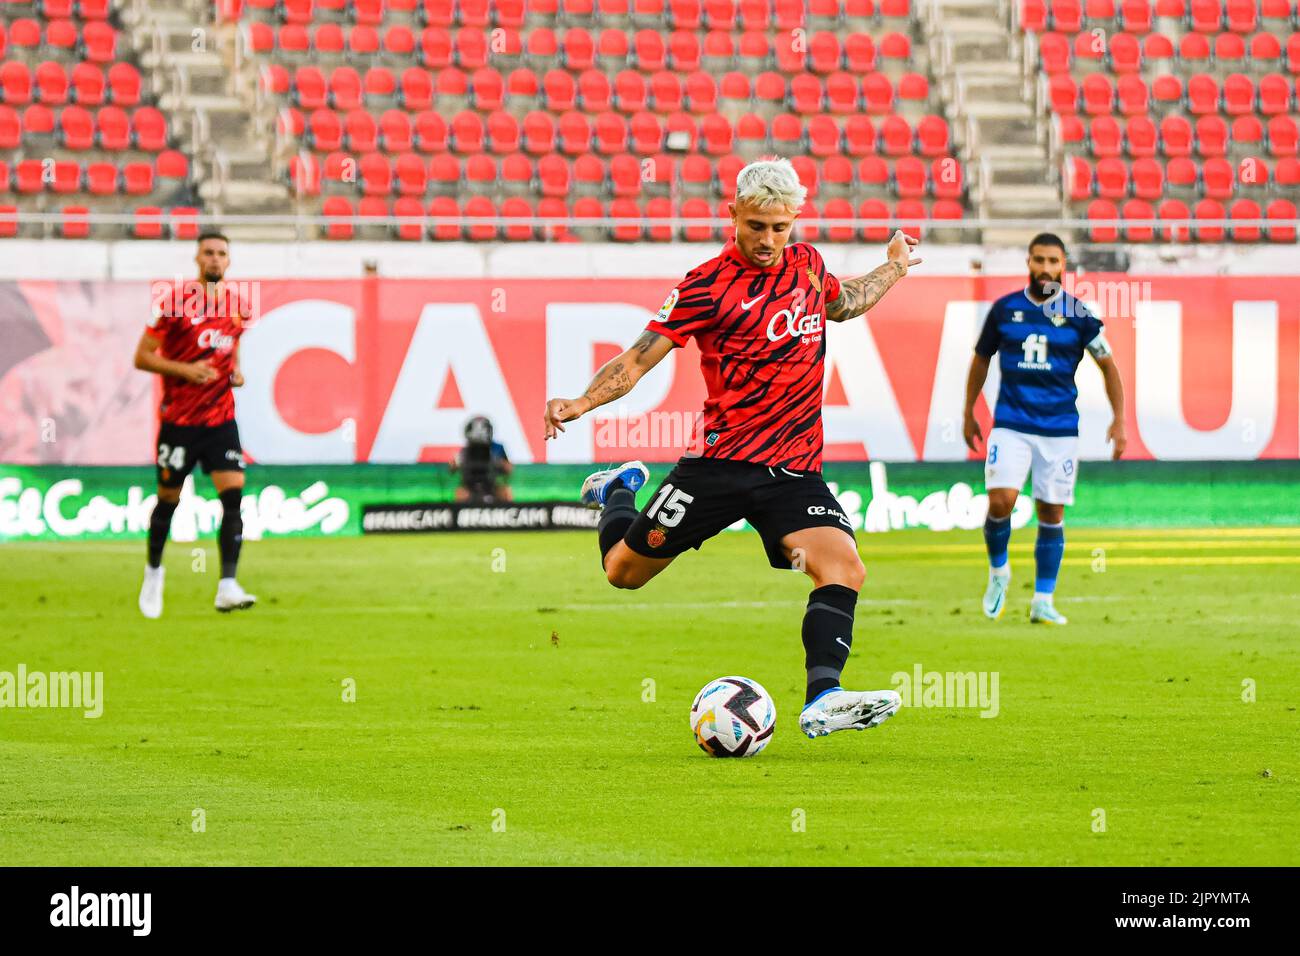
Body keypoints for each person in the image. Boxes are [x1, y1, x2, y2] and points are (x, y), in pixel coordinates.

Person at [543, 157, 920, 740]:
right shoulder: (705, 285)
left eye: (779, 227)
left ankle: (824, 696)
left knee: (843, 565)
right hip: (717, 469)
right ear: (733, 216)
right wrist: (580, 403)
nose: (768, 240)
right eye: (755, 227)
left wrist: (893, 268)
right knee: (623, 573)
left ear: (794, 220)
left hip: (793, 470)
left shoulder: (808, 265)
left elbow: (845, 302)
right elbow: (639, 358)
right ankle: (617, 491)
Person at [962, 233, 1127, 624]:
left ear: (1064, 265)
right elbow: (980, 360)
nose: (1046, 268)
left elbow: (1108, 365)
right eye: (1039, 260)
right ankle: (999, 571)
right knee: (1001, 500)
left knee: (1051, 513)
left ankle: (1043, 599)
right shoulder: (1005, 310)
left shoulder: (1080, 314)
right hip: (1012, 423)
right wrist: (968, 410)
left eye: (1054, 261)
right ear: (1029, 263)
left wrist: (1118, 419)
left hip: (1060, 429)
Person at [133, 232, 257, 617]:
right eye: (209, 253)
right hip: (180, 421)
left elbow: (232, 351)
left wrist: (236, 373)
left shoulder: (237, 308)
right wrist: (185, 370)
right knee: (169, 500)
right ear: (196, 258)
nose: (215, 260)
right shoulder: (173, 304)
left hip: (220, 419)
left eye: (222, 254)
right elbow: (142, 357)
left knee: (233, 495)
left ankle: (227, 585)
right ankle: (154, 572)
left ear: (229, 262)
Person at [450, 415, 513, 503]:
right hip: (470, 485)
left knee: (506, 492)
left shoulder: (497, 448)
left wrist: (497, 461)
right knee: (461, 493)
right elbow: (452, 467)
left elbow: (509, 469)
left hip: (491, 484)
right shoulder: (467, 450)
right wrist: (457, 462)